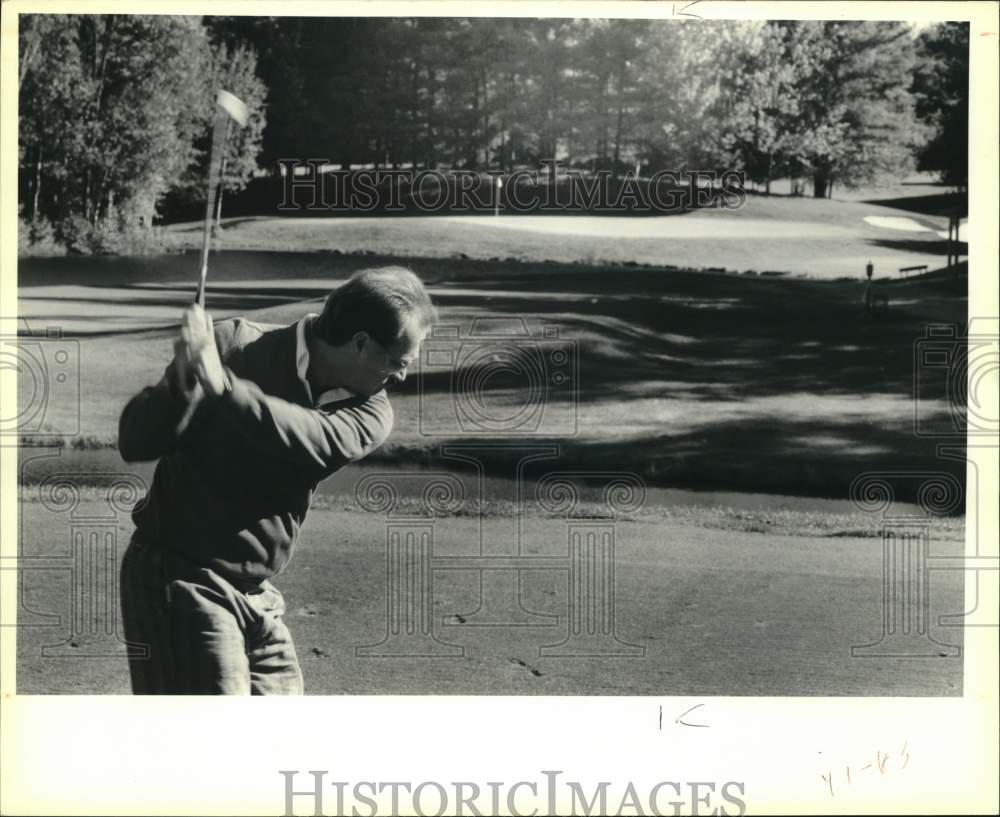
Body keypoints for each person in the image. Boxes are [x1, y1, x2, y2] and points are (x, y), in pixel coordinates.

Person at [117, 266, 436, 694]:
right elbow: (136, 440)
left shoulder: (372, 411)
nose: (400, 376)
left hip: (256, 592)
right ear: (360, 344)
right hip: (178, 574)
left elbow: (307, 437)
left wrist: (225, 387)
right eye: (398, 362)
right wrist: (183, 381)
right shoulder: (232, 343)